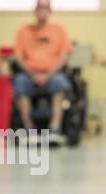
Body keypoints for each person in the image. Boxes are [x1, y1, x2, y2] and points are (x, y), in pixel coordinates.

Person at [14, 0, 73, 145]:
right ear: (34, 10)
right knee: (20, 82)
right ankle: (29, 129)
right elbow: (18, 57)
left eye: (45, 7)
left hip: (53, 74)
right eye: (39, 7)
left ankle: (54, 128)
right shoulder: (24, 30)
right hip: (29, 74)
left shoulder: (58, 30)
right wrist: (32, 74)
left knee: (60, 83)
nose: (42, 10)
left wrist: (48, 75)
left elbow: (64, 56)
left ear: (50, 11)